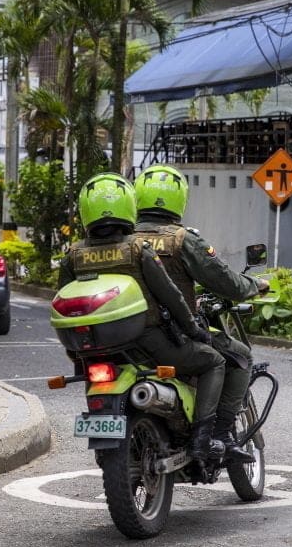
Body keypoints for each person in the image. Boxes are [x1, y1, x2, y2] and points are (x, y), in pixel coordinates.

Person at [58, 173, 226, 463]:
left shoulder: (73, 255)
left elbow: (65, 301)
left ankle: (104, 444)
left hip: (95, 348)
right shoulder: (138, 250)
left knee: (92, 372)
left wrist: (75, 353)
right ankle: (202, 440)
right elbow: (171, 296)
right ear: (128, 205)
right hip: (149, 342)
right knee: (214, 361)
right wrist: (194, 331)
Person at [133, 164, 269, 463]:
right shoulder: (183, 239)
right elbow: (225, 281)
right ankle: (218, 436)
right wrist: (255, 285)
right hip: (173, 337)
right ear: (180, 199)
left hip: (127, 341)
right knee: (240, 356)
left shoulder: (124, 241)